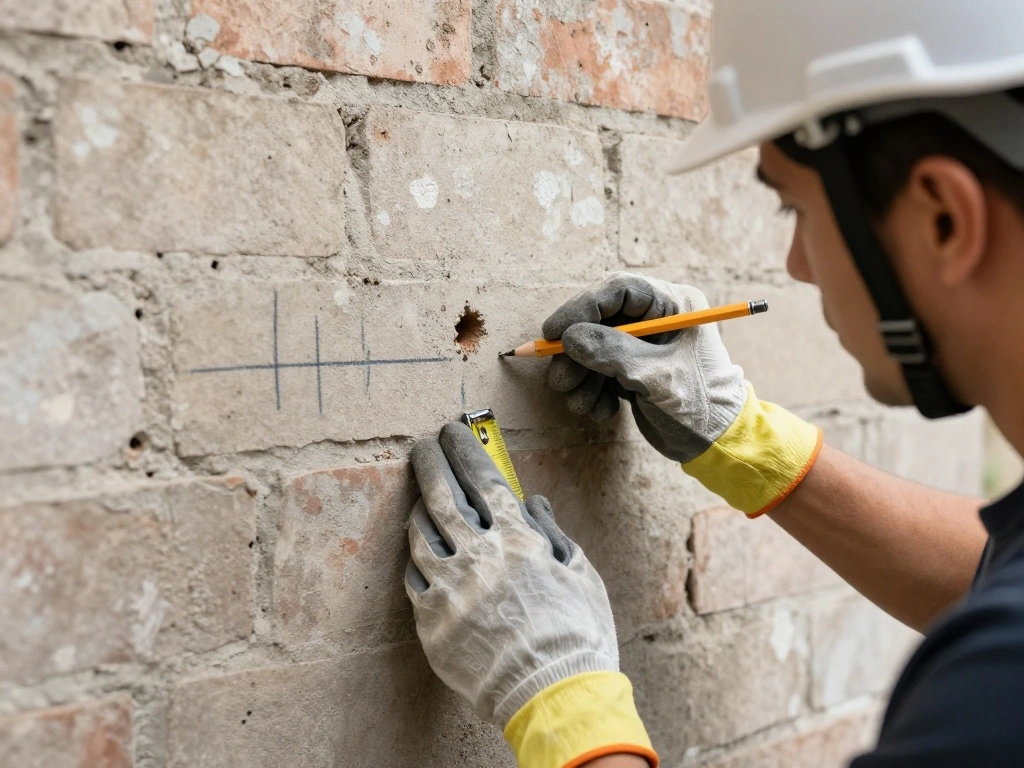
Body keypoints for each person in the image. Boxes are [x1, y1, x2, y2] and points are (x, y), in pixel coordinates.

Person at [403, 1, 1024, 766]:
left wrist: (564, 703)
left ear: (943, 221)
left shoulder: (995, 695)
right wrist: (743, 436)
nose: (797, 263)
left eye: (796, 206)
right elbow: (1000, 566)